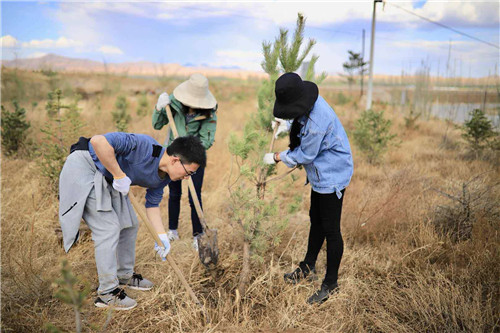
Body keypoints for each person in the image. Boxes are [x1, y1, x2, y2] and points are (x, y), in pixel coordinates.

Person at [59, 133, 206, 310]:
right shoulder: (142, 146)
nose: (188, 177)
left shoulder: (164, 177)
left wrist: (161, 237)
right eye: (188, 172)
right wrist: (119, 175)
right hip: (86, 166)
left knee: (130, 223)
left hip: (110, 177)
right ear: (175, 160)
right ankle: (107, 293)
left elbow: (152, 205)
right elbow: (98, 142)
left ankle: (124, 276)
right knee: (108, 229)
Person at [263, 72, 353, 304]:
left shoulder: (316, 122)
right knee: (316, 219)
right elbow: (298, 119)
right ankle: (307, 267)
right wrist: (286, 124)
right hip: (320, 172)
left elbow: (305, 154)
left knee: (331, 229)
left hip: (331, 173)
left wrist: (276, 156)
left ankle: (330, 284)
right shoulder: (307, 105)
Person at [152, 73, 217, 250]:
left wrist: (189, 154)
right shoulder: (173, 102)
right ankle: (173, 231)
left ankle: (198, 235)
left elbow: (207, 141)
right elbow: (157, 125)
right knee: (174, 194)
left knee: (194, 194)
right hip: (172, 156)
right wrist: (159, 108)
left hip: (194, 159)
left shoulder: (209, 111)